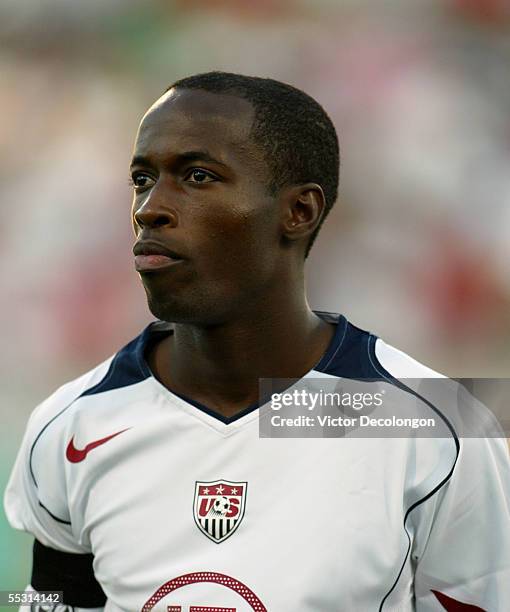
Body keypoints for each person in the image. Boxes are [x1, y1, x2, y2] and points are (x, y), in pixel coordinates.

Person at [4, 71, 510, 611]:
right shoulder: (71, 425)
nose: (149, 208)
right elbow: (53, 600)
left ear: (299, 211)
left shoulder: (435, 425)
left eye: (197, 176)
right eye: (141, 178)